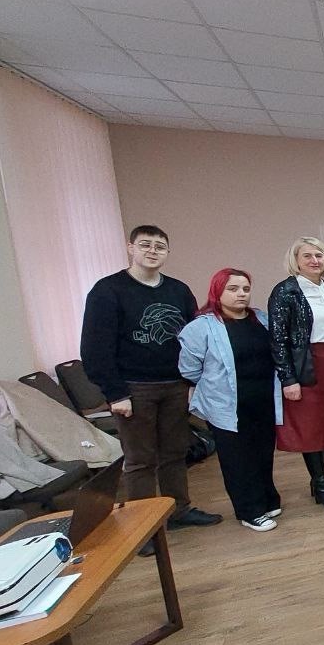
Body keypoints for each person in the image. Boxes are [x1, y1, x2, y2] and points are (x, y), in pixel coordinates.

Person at [81, 224, 222, 540]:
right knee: (140, 460)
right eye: (145, 244)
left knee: (175, 453)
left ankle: (178, 510)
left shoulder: (178, 290)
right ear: (130, 247)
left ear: (167, 252)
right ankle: (143, 528)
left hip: (175, 385)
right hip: (133, 389)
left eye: (160, 246)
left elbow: (194, 340)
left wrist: (193, 383)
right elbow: (94, 348)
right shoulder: (108, 290)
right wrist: (115, 393)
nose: (152, 251)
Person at [178, 269, 281, 532]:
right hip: (226, 405)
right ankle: (250, 511)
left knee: (263, 453)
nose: (241, 294)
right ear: (218, 291)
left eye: (245, 289)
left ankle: (267, 499)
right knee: (238, 460)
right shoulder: (202, 327)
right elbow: (189, 369)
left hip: (262, 401)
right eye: (233, 289)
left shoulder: (261, 319)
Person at [268, 236, 324, 509]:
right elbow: (278, 338)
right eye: (308, 256)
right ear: (296, 261)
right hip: (306, 365)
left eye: (319, 255)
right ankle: (322, 484)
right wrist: (288, 378)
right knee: (310, 428)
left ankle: (319, 480)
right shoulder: (286, 291)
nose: (315, 260)